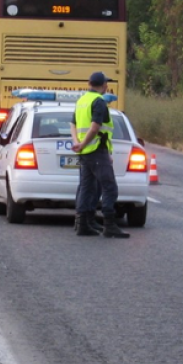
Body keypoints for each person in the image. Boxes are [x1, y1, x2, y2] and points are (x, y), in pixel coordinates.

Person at [71, 72, 130, 239]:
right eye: (106, 83)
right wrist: (83, 144)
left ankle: (83, 224)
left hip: (85, 152)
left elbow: (72, 124)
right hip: (96, 151)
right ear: (104, 85)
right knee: (110, 187)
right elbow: (95, 127)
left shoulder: (82, 101)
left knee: (86, 187)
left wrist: (78, 143)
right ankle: (109, 225)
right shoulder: (99, 102)